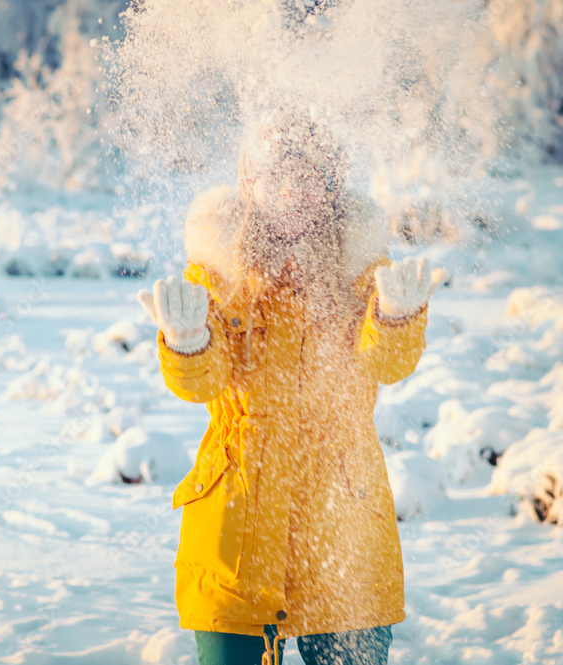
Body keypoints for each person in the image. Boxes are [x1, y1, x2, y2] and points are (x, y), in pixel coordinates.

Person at [137, 114, 438, 665]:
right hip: (236, 532)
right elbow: (203, 383)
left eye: (311, 179)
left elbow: (384, 363)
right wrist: (186, 343)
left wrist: (395, 318)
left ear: (332, 188)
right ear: (250, 184)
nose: (294, 193)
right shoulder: (218, 275)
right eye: (278, 178)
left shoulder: (362, 275)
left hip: (343, 529)